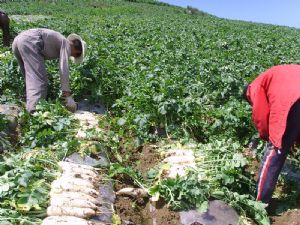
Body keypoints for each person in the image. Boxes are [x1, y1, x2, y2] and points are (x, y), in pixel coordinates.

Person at [244, 64, 300, 204]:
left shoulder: (254, 88)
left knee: (275, 152)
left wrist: (270, 136)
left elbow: (261, 117)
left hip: (294, 99)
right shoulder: (276, 73)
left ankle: (260, 203)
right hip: (296, 98)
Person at [12, 28, 87, 112]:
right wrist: (67, 93)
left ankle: (27, 104)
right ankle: (33, 113)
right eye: (74, 56)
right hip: (30, 42)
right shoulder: (66, 44)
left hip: (19, 40)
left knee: (30, 78)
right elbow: (64, 67)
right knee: (40, 81)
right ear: (77, 51)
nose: (71, 56)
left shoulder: (59, 40)